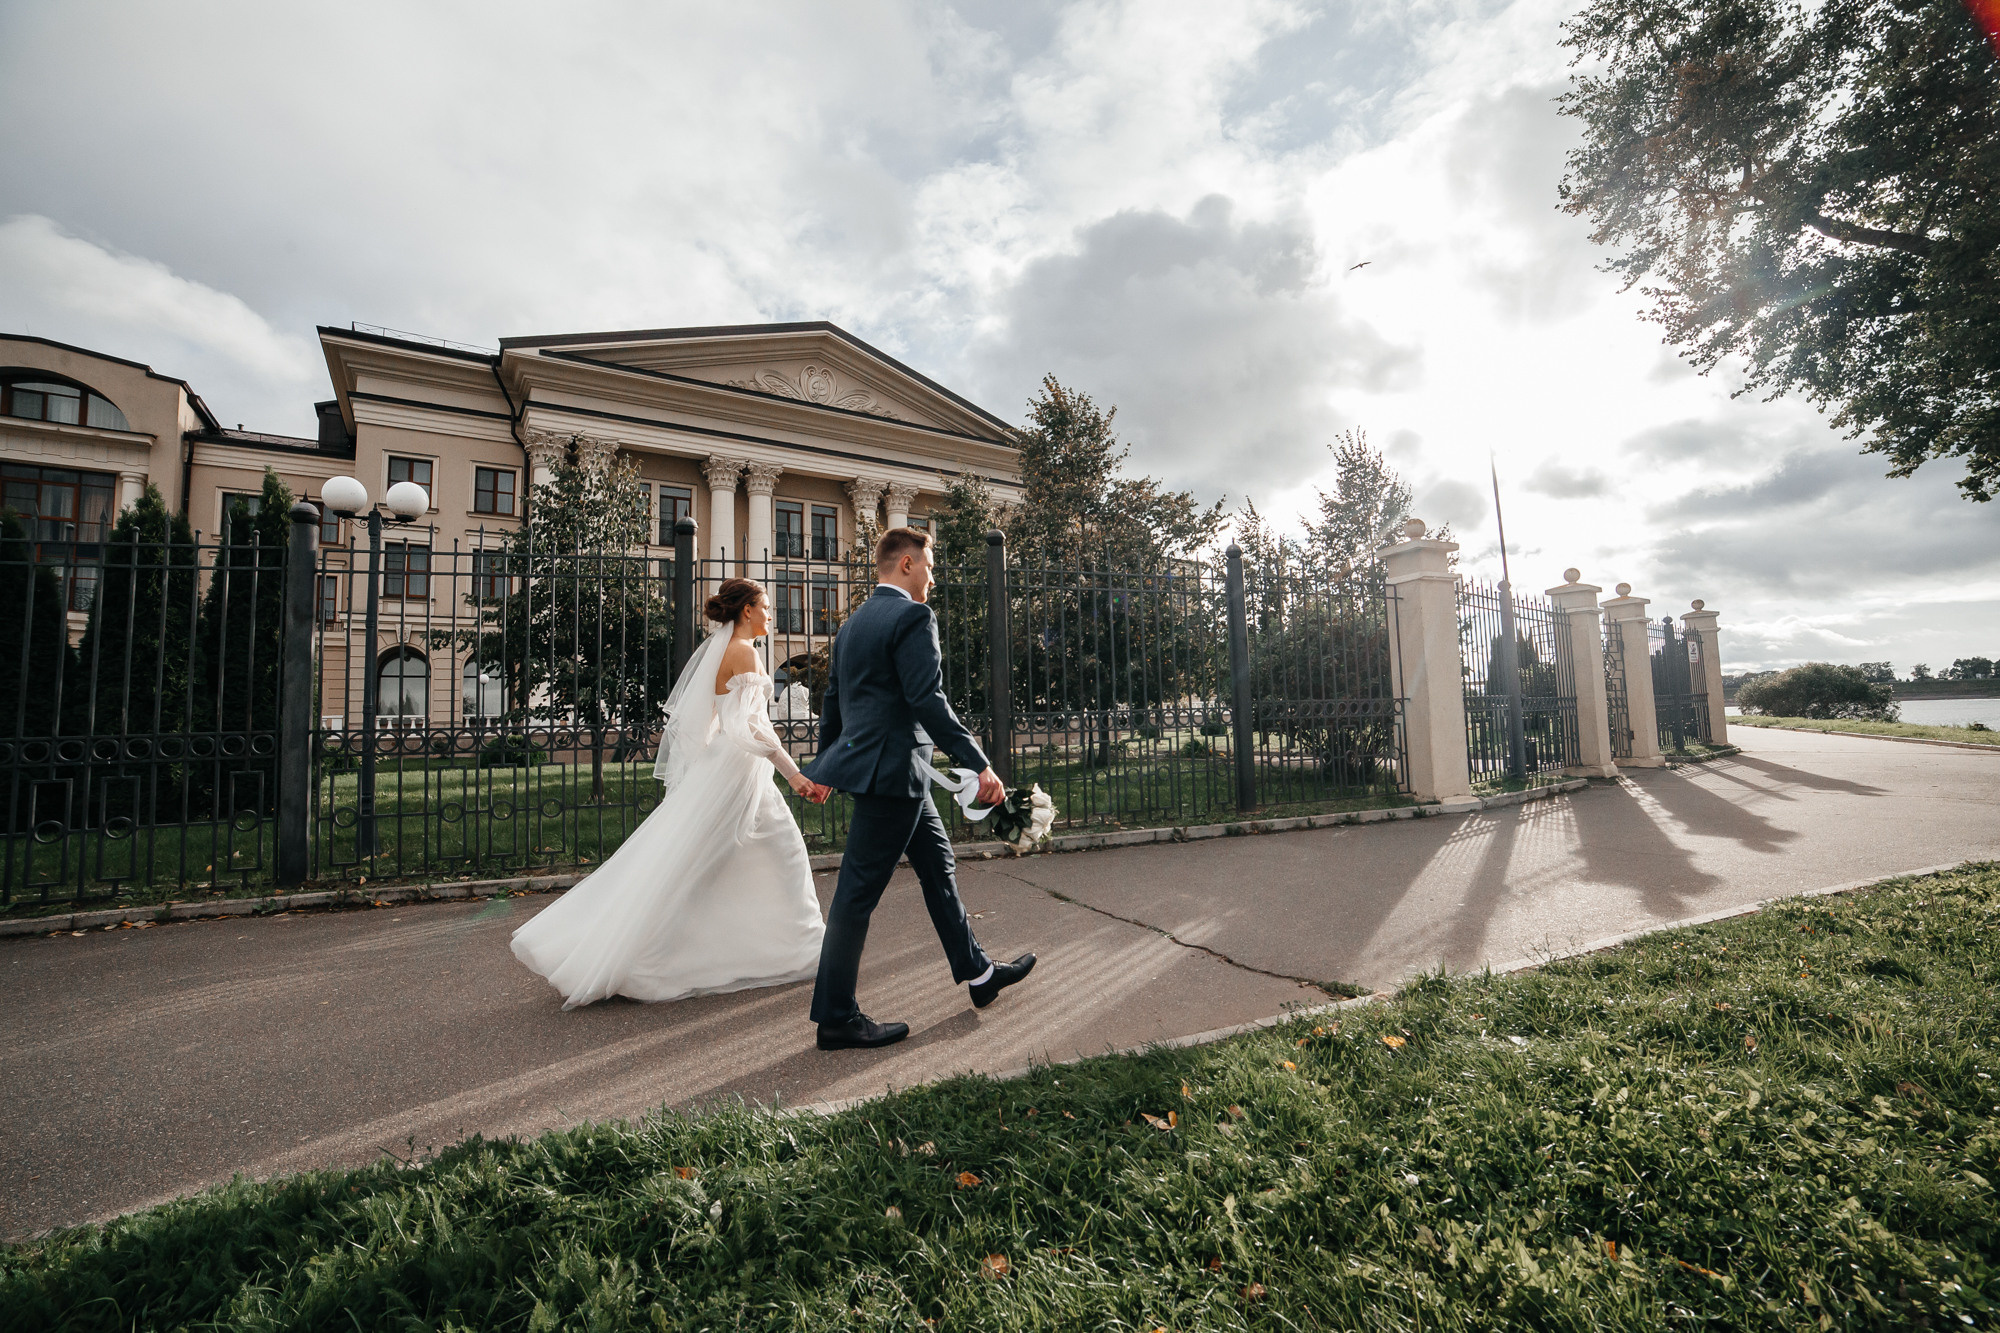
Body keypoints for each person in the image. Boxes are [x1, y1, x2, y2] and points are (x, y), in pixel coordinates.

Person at [510, 578, 833, 1009]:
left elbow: (720, 722)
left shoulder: (727, 650)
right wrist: (793, 774)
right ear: (748, 610)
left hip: (726, 765)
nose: (771, 615)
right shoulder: (744, 653)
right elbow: (753, 728)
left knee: (716, 861)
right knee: (772, 855)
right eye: (767, 607)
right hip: (739, 770)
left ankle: (778, 948)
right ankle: (794, 950)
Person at [804, 526, 1036, 1050]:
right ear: (906, 564)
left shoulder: (854, 624)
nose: (933, 577)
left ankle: (979, 974)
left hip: (891, 773)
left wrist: (825, 767)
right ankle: (836, 1017)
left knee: (938, 867)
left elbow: (834, 701)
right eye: (929, 566)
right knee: (855, 895)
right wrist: (979, 764)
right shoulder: (912, 616)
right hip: (893, 775)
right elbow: (927, 699)